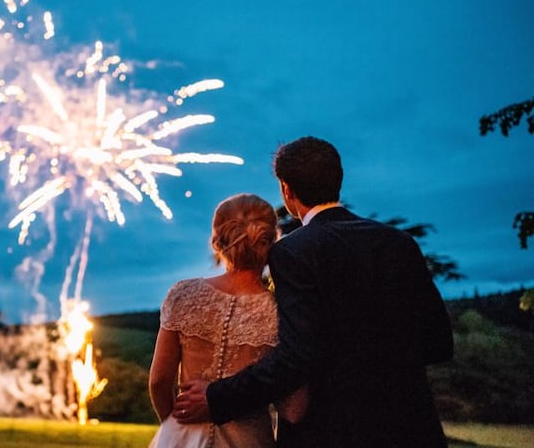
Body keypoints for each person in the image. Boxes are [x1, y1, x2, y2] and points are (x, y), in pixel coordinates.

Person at [173, 136, 454, 447]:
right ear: (338, 179)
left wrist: (216, 396)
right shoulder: (398, 242)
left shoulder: (294, 251)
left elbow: (296, 356)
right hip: (413, 428)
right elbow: (438, 342)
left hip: (331, 432)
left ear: (286, 190)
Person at [149, 193, 306, 448]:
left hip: (182, 437)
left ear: (218, 241)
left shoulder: (184, 295)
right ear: (270, 242)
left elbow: (159, 380)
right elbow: (294, 410)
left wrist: (174, 425)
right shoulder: (280, 311)